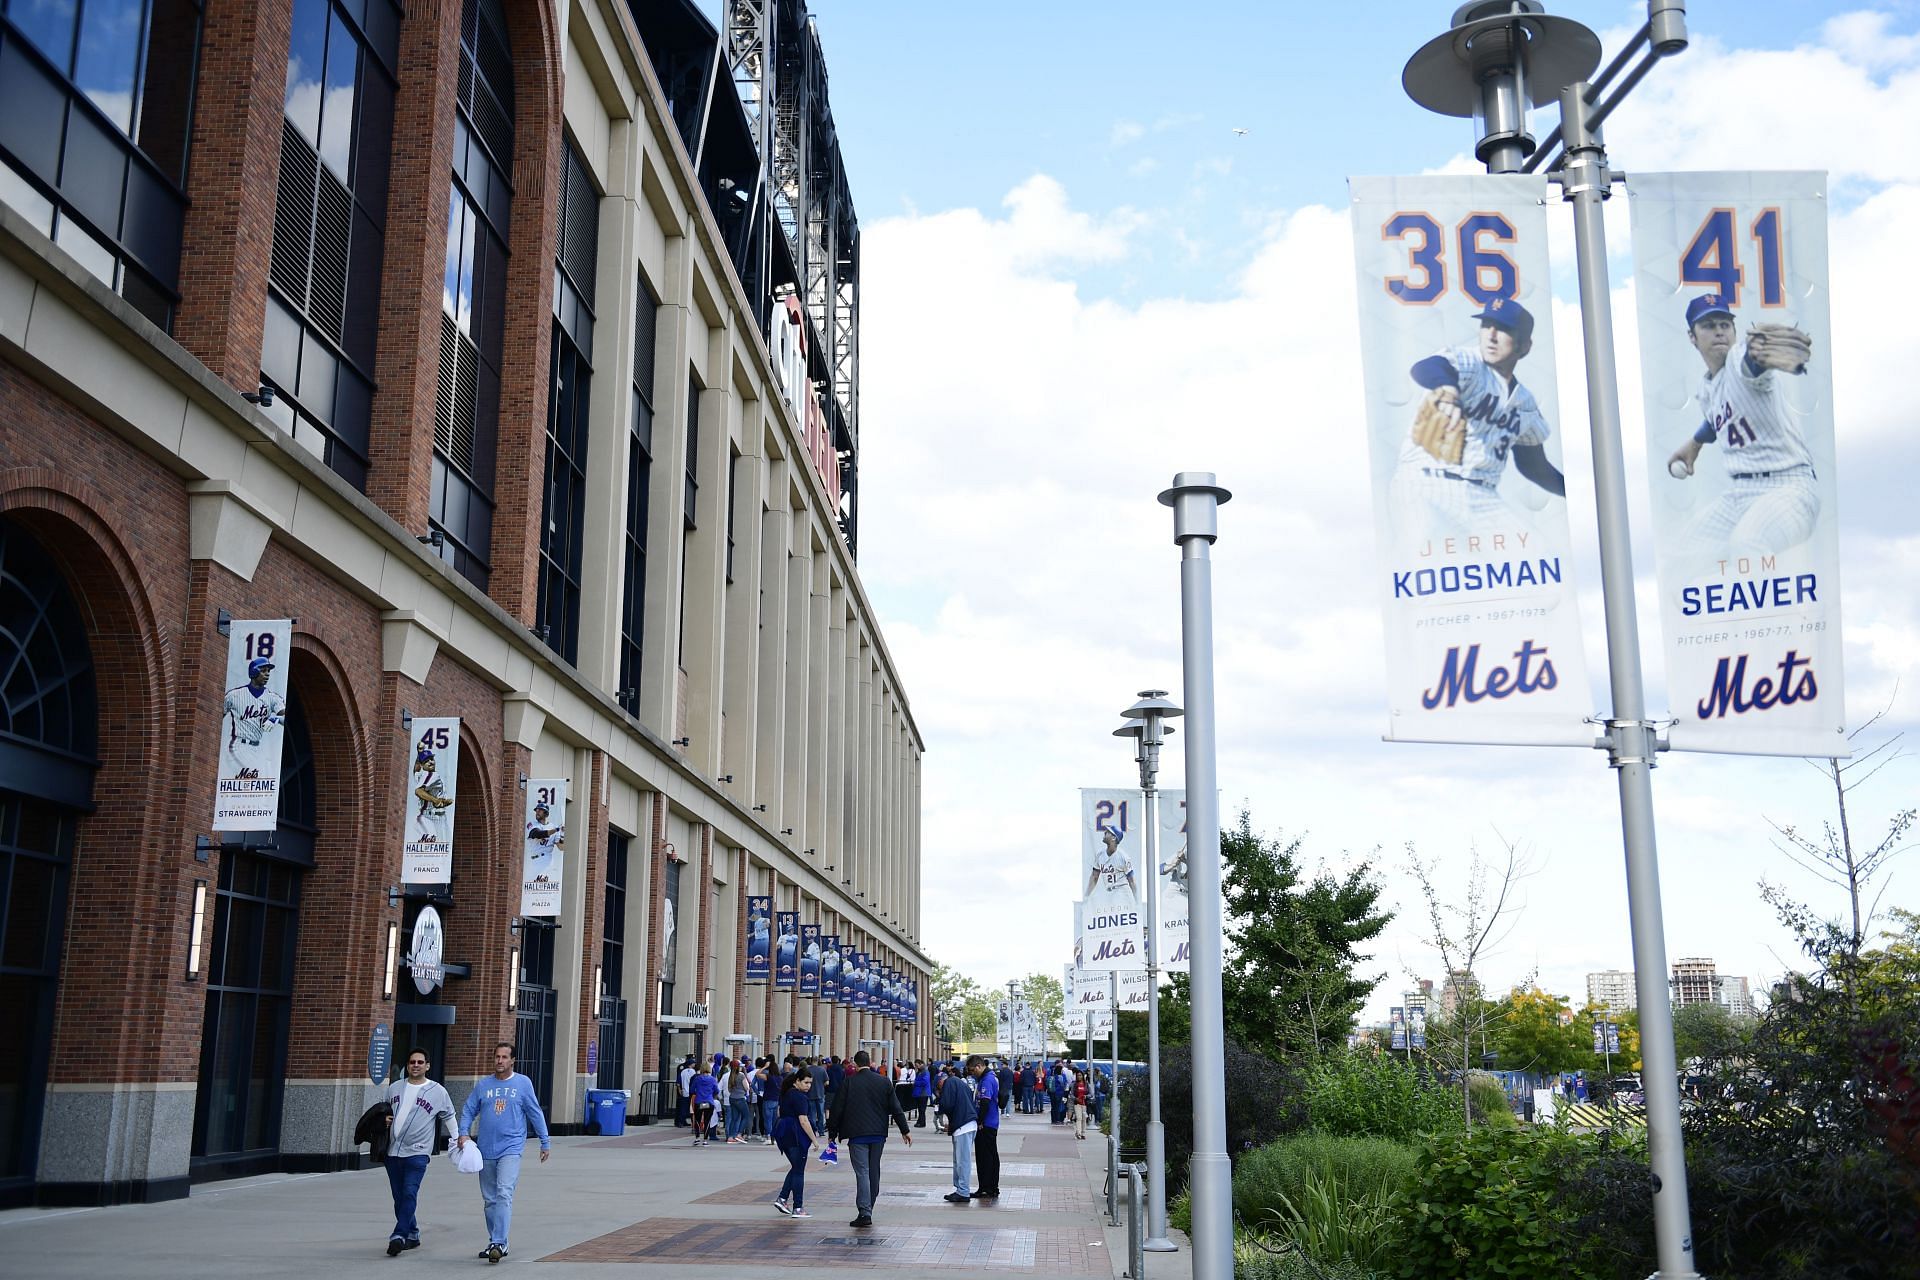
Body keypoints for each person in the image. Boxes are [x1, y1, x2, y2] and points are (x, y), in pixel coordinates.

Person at [1390, 297, 1565, 547]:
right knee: (1423, 561)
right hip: (1424, 481)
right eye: (1487, 325)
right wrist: (1448, 389)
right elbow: (1427, 367)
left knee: (1538, 562)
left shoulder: (1525, 402)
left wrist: (1583, 493)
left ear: (1524, 346)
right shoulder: (1468, 362)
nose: (1491, 335)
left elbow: (1534, 467)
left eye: (1503, 329)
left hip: (1482, 495)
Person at [1663, 293, 1820, 560]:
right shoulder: (1707, 388)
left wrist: (1759, 360)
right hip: (1743, 493)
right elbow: (1717, 418)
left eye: (1725, 325)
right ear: (1692, 336)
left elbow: (1751, 365)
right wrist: (1695, 443)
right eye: (1709, 326)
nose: (1719, 332)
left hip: (1790, 489)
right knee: (1681, 557)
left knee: (1747, 545)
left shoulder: (1738, 360)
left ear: (1735, 330)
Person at [455, 1042, 551, 1264]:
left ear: (512, 1060)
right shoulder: (483, 1085)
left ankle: (499, 1241)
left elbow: (535, 1112)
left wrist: (545, 1141)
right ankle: (496, 1241)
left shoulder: (522, 1083)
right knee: (489, 1199)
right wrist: (463, 1133)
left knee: (504, 1193)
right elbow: (469, 1109)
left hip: (511, 1147)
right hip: (486, 1148)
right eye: (497, 1057)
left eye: (504, 1057)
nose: (500, 1061)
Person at [824, 1049, 913, 1228]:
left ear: (855, 1064)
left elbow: (837, 1109)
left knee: (862, 1172)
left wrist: (832, 1133)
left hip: (857, 1134)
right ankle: (869, 1205)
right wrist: (905, 1130)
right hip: (878, 1133)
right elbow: (896, 1107)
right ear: (870, 1062)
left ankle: (865, 1212)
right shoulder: (884, 1082)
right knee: (874, 1171)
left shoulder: (849, 1082)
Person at [380, 1048, 455, 1255]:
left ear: (427, 1066)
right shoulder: (394, 1088)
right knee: (399, 1197)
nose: (415, 1065)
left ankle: (399, 1235)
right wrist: (384, 1120)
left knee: (410, 1192)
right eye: (412, 1062)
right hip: (393, 1152)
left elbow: (448, 1116)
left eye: (420, 1062)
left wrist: (458, 1139)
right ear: (407, 1065)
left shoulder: (437, 1091)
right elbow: (382, 1110)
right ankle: (412, 1233)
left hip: (418, 1152)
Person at [221, 656, 285, 781]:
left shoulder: (272, 698)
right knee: (251, 779)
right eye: (263, 670)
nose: (267, 674)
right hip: (239, 746)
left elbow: (285, 717)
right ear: (254, 671)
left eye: (268, 671)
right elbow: (216, 717)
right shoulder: (234, 695)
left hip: (258, 748)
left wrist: (275, 718)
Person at [771, 1067, 820, 1217]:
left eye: (810, 1083)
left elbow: (780, 1112)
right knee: (799, 1171)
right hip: (796, 1134)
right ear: (797, 1081)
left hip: (783, 1132)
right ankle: (797, 1207)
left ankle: (783, 1198)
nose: (808, 1086)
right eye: (806, 1082)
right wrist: (814, 1140)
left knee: (796, 1168)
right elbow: (803, 1120)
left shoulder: (786, 1093)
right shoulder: (799, 1097)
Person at [936, 1059, 978, 1203]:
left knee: (962, 1160)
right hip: (969, 1123)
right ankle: (960, 1188)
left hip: (963, 1126)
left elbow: (946, 1104)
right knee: (961, 1159)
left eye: (939, 1090)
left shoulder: (949, 1083)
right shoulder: (961, 1083)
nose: (940, 1092)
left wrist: (940, 1107)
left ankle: (963, 1191)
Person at [969, 1055, 1001, 1200]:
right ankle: (991, 1187)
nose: (971, 1074)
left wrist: (980, 1121)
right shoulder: (989, 1077)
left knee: (984, 1157)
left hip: (986, 1124)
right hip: (991, 1122)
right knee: (991, 1155)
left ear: (978, 1066)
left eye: (972, 1070)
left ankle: (986, 1187)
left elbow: (985, 1102)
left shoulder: (987, 1080)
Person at [689, 1059, 720, 1146]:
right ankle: (705, 1140)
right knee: (707, 1121)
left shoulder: (697, 1079)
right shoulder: (713, 1079)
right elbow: (716, 1090)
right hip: (709, 1101)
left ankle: (697, 1138)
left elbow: (692, 1090)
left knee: (698, 1120)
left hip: (699, 1101)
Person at [725, 1062, 751, 1143]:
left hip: (732, 1098)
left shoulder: (730, 1076)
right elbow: (747, 1087)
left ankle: (730, 1136)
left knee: (734, 1118)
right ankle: (739, 1134)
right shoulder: (741, 1075)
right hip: (740, 1098)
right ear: (738, 1067)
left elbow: (729, 1089)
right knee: (746, 1116)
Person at [912, 1057, 934, 1127]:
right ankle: (920, 1121)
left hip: (923, 1093)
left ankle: (921, 1123)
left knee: (922, 1109)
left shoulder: (925, 1071)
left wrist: (916, 1083)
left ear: (921, 1064)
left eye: (917, 1065)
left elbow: (925, 1082)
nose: (916, 1066)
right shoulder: (920, 1071)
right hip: (920, 1093)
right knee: (921, 1109)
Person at [807, 1057, 828, 1131]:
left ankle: (813, 1129)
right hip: (820, 1094)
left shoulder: (808, 1069)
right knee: (820, 1114)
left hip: (810, 1094)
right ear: (818, 1061)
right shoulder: (822, 1069)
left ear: (811, 1061)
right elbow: (827, 1082)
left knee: (812, 1114)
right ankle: (821, 1130)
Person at [675, 1055, 695, 1127]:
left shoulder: (682, 1072)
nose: (694, 1064)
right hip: (691, 1092)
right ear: (690, 1064)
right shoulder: (693, 1071)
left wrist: (679, 1090)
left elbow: (678, 1082)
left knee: (683, 1108)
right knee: (688, 1109)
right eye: (693, 1063)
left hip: (684, 1091)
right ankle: (682, 1122)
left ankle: (682, 1121)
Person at [1071, 1069, 1090, 1139]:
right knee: (1079, 1118)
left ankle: (1083, 1133)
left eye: (1080, 1075)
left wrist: (1086, 1096)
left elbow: (1091, 1094)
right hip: (1077, 1104)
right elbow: (1071, 1094)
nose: (1079, 1077)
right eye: (1078, 1075)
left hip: (1084, 1103)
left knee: (1084, 1118)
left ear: (1083, 1076)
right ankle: (1078, 1133)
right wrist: (1075, 1098)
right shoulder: (1074, 1084)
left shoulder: (1086, 1084)